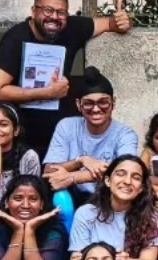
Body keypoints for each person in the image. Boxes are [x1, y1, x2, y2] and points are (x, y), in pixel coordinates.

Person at [0, 0, 134, 153]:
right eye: (48, 10)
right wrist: (47, 93)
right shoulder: (16, 38)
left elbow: (110, 23)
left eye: (61, 13)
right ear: (34, 11)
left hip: (58, 136)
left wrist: (122, 21)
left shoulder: (72, 28)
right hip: (20, 136)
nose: (54, 17)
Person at [43, 67, 138, 213]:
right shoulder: (67, 126)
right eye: (88, 103)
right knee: (60, 198)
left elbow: (125, 172)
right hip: (72, 197)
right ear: (78, 105)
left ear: (113, 103)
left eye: (103, 102)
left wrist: (73, 177)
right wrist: (81, 161)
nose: (95, 109)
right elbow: (49, 171)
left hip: (108, 197)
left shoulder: (125, 134)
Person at [67, 155, 158, 260]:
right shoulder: (86, 213)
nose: (127, 181)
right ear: (107, 180)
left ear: (141, 188)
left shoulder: (150, 216)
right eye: (120, 174)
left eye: (136, 178)